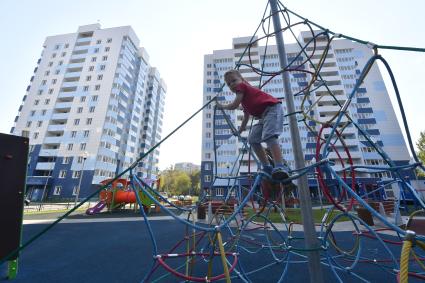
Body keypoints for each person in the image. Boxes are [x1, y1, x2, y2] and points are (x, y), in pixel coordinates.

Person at [216, 69, 290, 181]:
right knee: (253, 139)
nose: (232, 85)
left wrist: (222, 106)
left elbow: (234, 105)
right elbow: (245, 119)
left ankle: (280, 166)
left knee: (269, 135)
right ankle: (267, 167)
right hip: (264, 117)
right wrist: (239, 131)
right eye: (229, 84)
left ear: (242, 80)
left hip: (272, 109)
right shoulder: (245, 102)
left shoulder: (243, 87)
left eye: (234, 80)